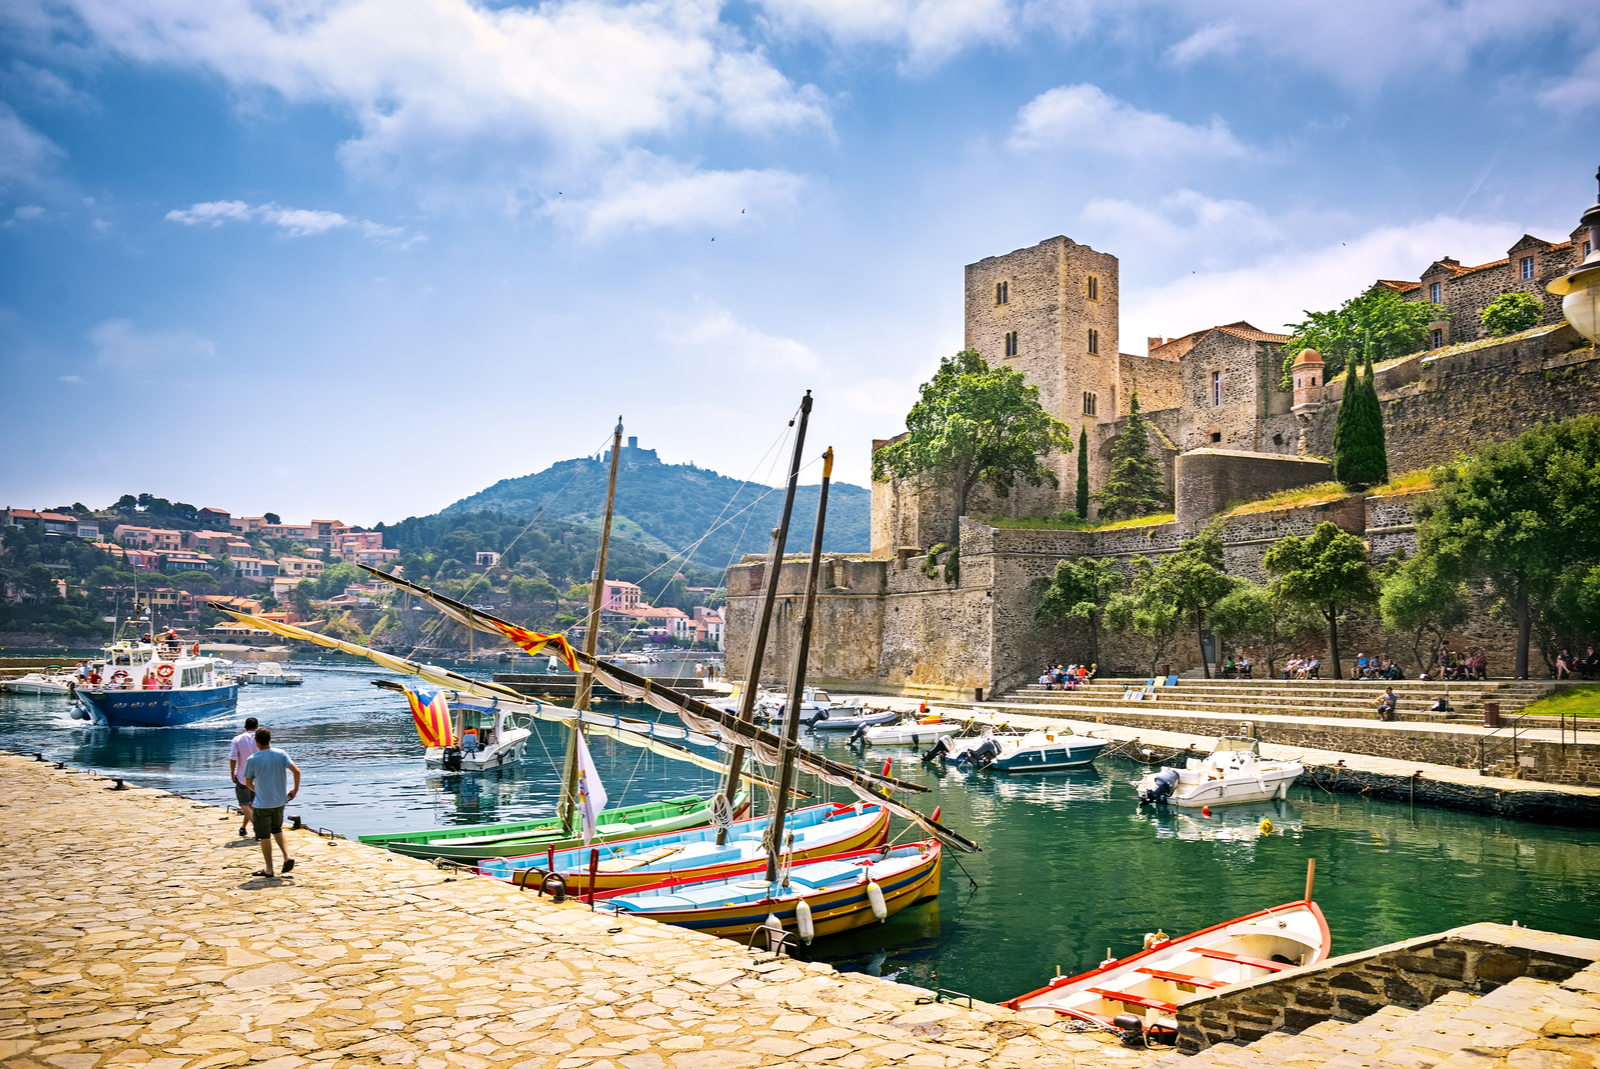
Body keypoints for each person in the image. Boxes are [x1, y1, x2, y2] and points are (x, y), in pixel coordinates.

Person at [243, 727, 300, 878]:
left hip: (262, 804)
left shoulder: (252, 759)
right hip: (279, 801)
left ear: (256, 742)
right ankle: (287, 856)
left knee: (264, 836)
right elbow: (296, 771)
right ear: (270, 739)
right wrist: (295, 790)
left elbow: (247, 782)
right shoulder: (280, 754)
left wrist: (257, 790)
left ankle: (269, 868)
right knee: (277, 829)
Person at [228, 717, 261, 838]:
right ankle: (243, 828)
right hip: (259, 776)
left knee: (244, 804)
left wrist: (232, 772)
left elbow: (233, 757)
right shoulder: (261, 738)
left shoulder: (237, 739)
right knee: (252, 804)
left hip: (243, 776)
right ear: (256, 726)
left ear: (244, 726)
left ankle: (258, 827)